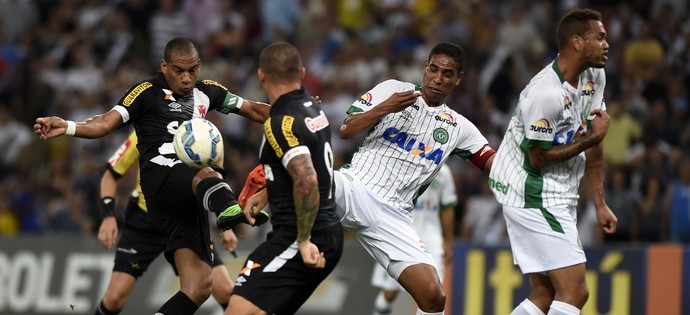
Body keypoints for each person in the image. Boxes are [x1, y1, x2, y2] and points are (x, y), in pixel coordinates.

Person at [35, 37, 270, 315]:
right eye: (179, 70)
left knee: (199, 286)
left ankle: (228, 213)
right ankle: (230, 211)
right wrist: (69, 126)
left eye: (192, 70)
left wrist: (289, 112)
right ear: (164, 66)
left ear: (200, 66)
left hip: (188, 201)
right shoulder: (145, 92)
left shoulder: (208, 92)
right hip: (159, 181)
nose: (186, 78)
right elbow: (105, 123)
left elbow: (254, 109)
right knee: (204, 172)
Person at [335, 42, 496, 315]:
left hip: (394, 216)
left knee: (433, 297)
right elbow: (346, 129)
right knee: (307, 176)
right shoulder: (393, 89)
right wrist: (385, 108)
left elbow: (493, 163)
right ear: (425, 66)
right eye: (433, 69)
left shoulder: (459, 127)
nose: (437, 78)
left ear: (459, 79)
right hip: (354, 187)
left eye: (447, 74)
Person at [487, 8, 617, 315]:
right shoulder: (545, 93)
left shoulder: (595, 75)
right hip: (531, 191)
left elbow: (594, 133)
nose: (606, 44)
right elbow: (538, 159)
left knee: (545, 295)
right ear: (576, 42)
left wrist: (599, 202)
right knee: (575, 292)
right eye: (599, 38)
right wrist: (591, 139)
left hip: (557, 191)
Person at [222, 41, 343, 315]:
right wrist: (267, 192)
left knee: (238, 310)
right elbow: (308, 166)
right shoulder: (313, 107)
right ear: (301, 73)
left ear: (261, 75)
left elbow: (308, 178)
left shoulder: (280, 122)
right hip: (323, 231)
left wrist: (302, 240)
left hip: (303, 235)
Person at [95, 131, 236, 315]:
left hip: (185, 220)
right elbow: (111, 174)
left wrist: (226, 227)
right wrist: (108, 216)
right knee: (114, 298)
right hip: (145, 222)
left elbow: (213, 182)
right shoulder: (143, 132)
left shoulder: (203, 134)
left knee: (225, 290)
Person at [370, 163, 457, 315]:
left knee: (433, 293)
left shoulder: (444, 172)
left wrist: (448, 241)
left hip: (431, 238)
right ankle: (379, 310)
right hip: (400, 233)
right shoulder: (398, 162)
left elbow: (447, 207)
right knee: (390, 294)